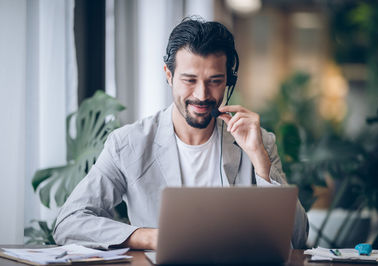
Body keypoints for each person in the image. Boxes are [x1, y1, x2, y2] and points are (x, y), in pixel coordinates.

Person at [53, 17, 309, 250]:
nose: (202, 94)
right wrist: (154, 237)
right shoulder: (128, 144)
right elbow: (69, 222)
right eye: (189, 80)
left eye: (215, 81)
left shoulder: (259, 142)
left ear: (229, 80)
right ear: (168, 75)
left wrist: (260, 162)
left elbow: (297, 238)